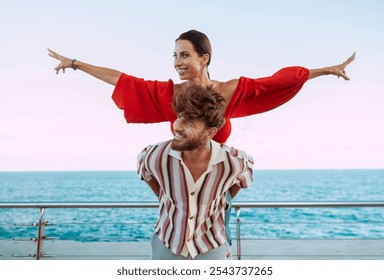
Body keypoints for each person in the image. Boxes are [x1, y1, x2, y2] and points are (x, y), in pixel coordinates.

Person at [48, 29, 355, 244]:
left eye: (184, 55)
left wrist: (327, 70)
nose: (177, 62)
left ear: (204, 57)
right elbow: (123, 80)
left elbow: (276, 82)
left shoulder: (228, 90)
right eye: (174, 56)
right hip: (181, 186)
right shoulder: (172, 93)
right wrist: (76, 64)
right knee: (174, 242)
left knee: (217, 246)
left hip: (215, 189)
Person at [137, 85, 253, 260]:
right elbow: (145, 172)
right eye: (179, 117)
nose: (177, 127)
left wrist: (218, 193)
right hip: (167, 246)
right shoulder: (154, 155)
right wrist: (168, 195)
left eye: (189, 122)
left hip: (212, 247)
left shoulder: (234, 161)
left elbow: (243, 178)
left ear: (209, 133)